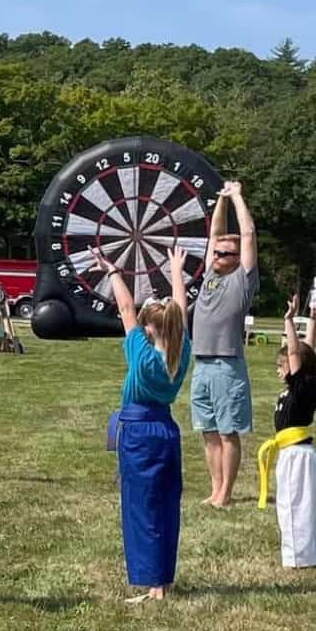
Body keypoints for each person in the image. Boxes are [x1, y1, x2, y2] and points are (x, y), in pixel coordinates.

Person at [108, 248, 192, 603]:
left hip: (139, 434)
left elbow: (125, 307)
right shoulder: (181, 351)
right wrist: (176, 271)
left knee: (142, 508)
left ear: (148, 328)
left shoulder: (142, 356)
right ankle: (164, 577)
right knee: (166, 505)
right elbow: (179, 311)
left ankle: (153, 583)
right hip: (166, 431)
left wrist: (113, 271)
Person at [190, 181, 258, 508]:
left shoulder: (242, 281)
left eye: (224, 253)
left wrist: (238, 198)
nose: (216, 256)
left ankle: (226, 493)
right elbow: (215, 232)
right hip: (201, 363)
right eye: (215, 252)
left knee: (228, 431)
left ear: (237, 258)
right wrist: (221, 199)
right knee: (208, 430)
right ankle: (215, 489)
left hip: (226, 364)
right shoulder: (210, 275)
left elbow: (248, 234)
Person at [257, 296, 316, 569]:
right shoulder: (302, 385)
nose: (279, 370)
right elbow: (307, 349)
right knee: (306, 503)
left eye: (282, 365)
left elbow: (299, 352)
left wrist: (288, 320)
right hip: (296, 453)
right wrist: (312, 318)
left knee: (293, 504)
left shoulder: (303, 387)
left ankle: (298, 557)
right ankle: (314, 552)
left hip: (296, 454)